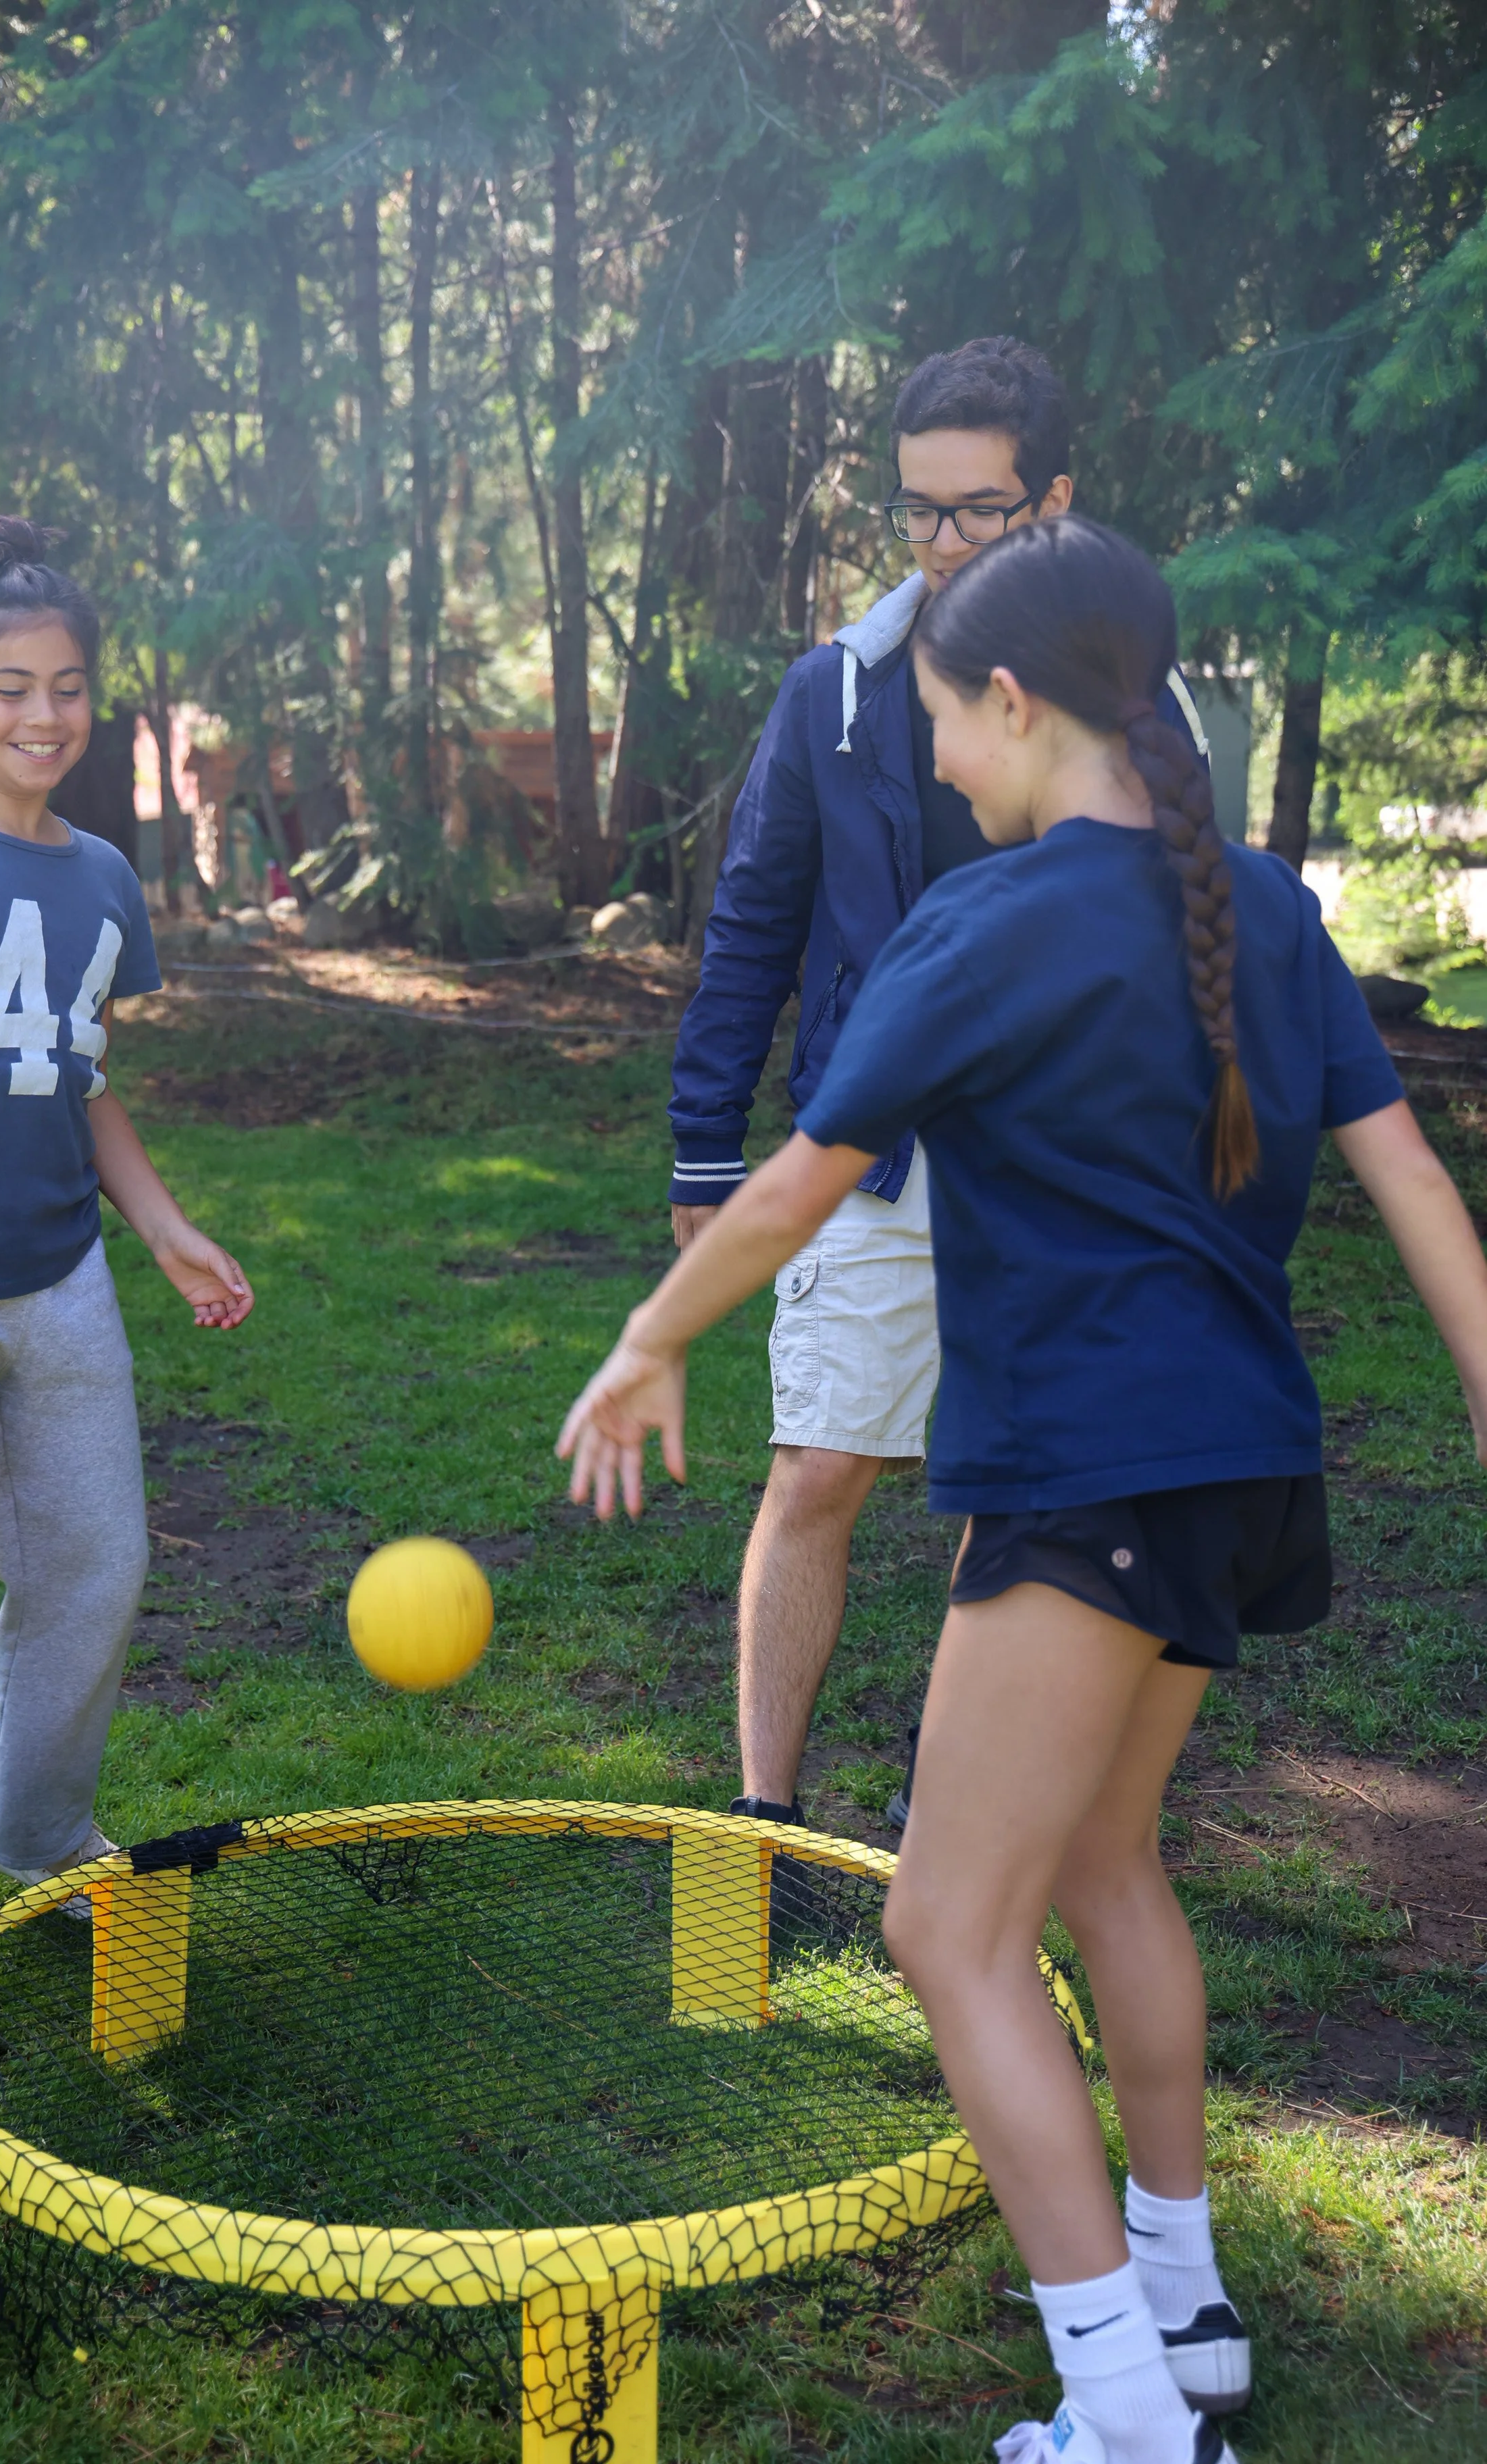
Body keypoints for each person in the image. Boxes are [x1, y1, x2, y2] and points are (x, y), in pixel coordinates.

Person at [558, 515, 1487, 2463]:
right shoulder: (1257, 902)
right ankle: (1178, 2297)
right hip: (1240, 1470)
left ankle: (1126, 2409)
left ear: (1012, 699)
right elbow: (1413, 1187)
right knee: (1101, 1865)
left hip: (1092, 1477)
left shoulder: (977, 929)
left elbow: (804, 1181)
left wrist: (648, 1343)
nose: (940, 772)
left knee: (946, 1930)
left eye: (942, 734)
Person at [667, 336, 1210, 1836]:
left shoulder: (1142, 710)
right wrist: (704, 1155)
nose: (941, 543)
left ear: (1054, 500)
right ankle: (766, 1820)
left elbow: (1188, 951)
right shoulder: (837, 687)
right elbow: (754, 925)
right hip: (870, 1153)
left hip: (1061, 1167)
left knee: (1015, 1494)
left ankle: (954, 1815)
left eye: (976, 511)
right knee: (818, 1467)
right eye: (917, 511)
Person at [0, 518, 255, 2064]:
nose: (44, 716)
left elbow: (76, 1075)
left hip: (62, 1277)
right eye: (10, 684)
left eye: (70, 686)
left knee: (94, 1568)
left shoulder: (99, 874)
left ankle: (30, 1829)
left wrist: (158, 1225)